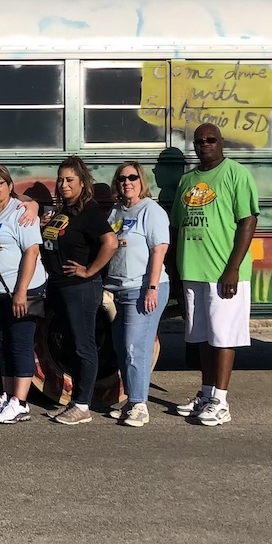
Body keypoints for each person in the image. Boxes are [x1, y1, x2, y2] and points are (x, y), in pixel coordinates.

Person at [173, 123, 259, 427]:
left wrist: (233, 267)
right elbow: (177, 226)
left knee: (223, 337)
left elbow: (248, 221)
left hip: (223, 272)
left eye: (211, 139)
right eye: (199, 141)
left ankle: (221, 402)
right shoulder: (187, 181)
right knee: (202, 337)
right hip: (193, 271)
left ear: (221, 142)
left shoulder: (236, 173)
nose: (204, 144)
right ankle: (206, 393)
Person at [40, 155, 118, 426]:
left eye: (69, 180)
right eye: (60, 179)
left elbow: (110, 242)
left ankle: (83, 405)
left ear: (83, 182)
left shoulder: (90, 211)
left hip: (81, 288)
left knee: (84, 346)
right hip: (60, 287)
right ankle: (74, 401)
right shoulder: (65, 211)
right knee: (70, 345)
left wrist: (89, 270)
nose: (63, 184)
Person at [0, 165, 48, 425]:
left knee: (20, 344)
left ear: (9, 185)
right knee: (1, 345)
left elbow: (32, 252)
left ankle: (21, 402)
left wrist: (21, 292)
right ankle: (7, 397)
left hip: (20, 291)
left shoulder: (21, 213)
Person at [103, 161, 170, 428]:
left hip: (142, 288)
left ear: (142, 181)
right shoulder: (117, 211)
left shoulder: (151, 211)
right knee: (121, 347)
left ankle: (140, 405)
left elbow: (159, 249)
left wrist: (151, 287)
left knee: (135, 347)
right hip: (118, 288)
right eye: (121, 179)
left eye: (132, 177)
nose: (126, 182)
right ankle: (131, 401)